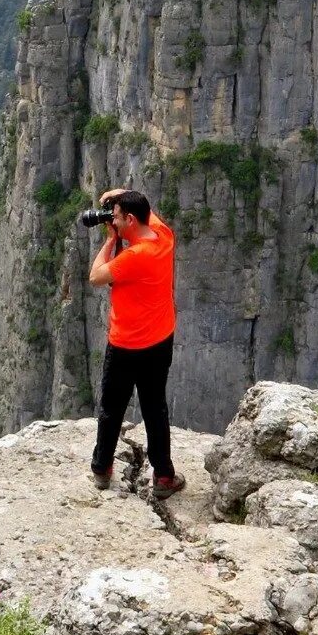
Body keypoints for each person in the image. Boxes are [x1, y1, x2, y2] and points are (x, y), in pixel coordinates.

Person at [86, 187, 186, 499]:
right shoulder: (162, 235)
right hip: (159, 341)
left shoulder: (133, 257)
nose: (111, 221)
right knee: (155, 407)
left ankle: (102, 468)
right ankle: (164, 477)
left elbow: (96, 276)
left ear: (129, 219)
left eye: (114, 217)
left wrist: (109, 241)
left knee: (112, 407)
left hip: (126, 345)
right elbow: (145, 210)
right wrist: (120, 195)